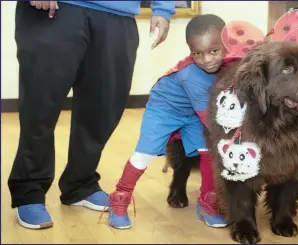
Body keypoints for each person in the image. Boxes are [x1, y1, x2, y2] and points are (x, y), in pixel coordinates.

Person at [8, 1, 176, 230]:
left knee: (103, 108)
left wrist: (163, 7)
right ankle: (29, 190)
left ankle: (80, 184)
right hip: (56, 9)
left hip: (119, 14)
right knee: (40, 107)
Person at [107, 14, 233, 230]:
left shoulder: (229, 65)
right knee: (144, 155)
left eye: (214, 51)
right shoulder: (190, 76)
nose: (207, 60)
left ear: (227, 44)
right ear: (189, 51)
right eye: (197, 53)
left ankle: (207, 203)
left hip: (192, 113)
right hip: (164, 110)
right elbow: (209, 117)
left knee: (208, 153)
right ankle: (119, 198)